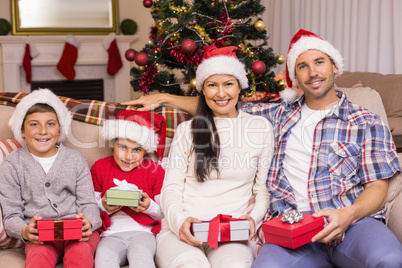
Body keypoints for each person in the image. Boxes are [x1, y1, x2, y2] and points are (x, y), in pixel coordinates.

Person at [123, 30, 402, 267]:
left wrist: (348, 215)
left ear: (334, 67)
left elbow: (377, 188)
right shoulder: (276, 116)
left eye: (319, 62)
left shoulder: (366, 121)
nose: (313, 72)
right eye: (302, 66)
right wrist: (163, 97)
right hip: (292, 228)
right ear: (295, 75)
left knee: (389, 260)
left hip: (352, 222)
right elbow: (223, 102)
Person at [151, 46, 274, 268]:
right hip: (183, 230)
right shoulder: (187, 130)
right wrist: (180, 223)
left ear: (240, 87)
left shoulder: (260, 128)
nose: (220, 93)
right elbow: (171, 188)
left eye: (228, 84)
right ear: (202, 90)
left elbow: (261, 189)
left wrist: (253, 220)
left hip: (231, 233)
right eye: (212, 85)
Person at [0, 88, 102, 268]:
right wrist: (24, 230)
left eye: (50, 124)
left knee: (79, 256)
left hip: (77, 232)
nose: (43, 131)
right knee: (38, 260)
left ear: (59, 129)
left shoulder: (76, 159)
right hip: (42, 236)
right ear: (22, 130)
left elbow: (89, 203)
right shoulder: (12, 165)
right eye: (34, 124)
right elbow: (12, 215)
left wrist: (89, 222)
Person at [91, 110, 166, 268]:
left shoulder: (155, 170)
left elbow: (163, 213)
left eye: (136, 150)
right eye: (123, 147)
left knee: (141, 257)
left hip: (143, 233)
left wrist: (148, 207)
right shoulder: (100, 167)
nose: (128, 156)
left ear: (145, 150)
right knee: (104, 258)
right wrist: (104, 207)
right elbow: (90, 210)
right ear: (113, 144)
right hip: (110, 234)